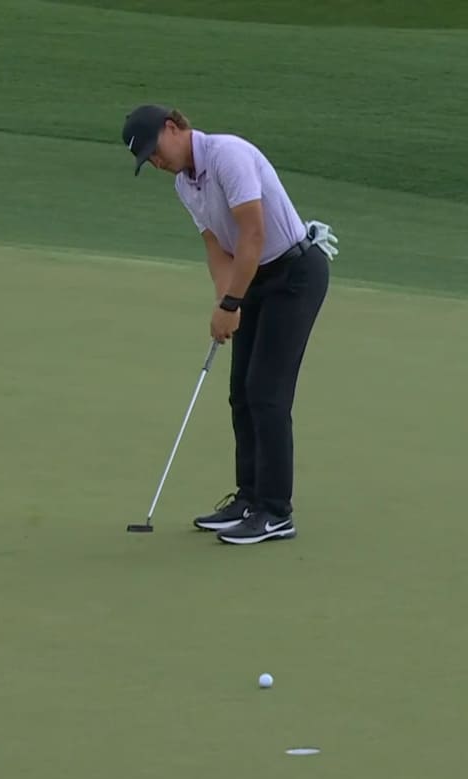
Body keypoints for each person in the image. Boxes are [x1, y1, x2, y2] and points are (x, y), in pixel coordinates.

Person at [120, 104, 337, 545]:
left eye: (155, 151)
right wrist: (225, 301)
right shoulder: (186, 184)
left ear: (172, 127)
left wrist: (233, 301)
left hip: (294, 275)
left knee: (267, 394)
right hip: (253, 277)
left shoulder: (228, 154)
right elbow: (217, 248)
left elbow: (253, 234)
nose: (157, 163)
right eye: (148, 160)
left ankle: (276, 512)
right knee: (241, 392)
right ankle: (250, 498)